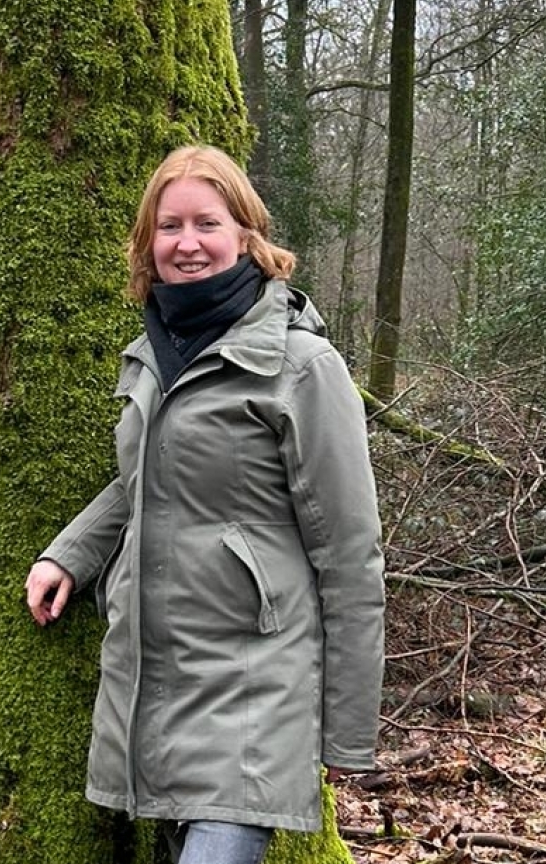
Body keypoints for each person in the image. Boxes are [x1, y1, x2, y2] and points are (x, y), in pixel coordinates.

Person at [24, 145, 385, 864]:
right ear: (146, 244)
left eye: (207, 223)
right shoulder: (152, 355)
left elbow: (351, 553)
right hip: (154, 675)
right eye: (169, 227)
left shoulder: (301, 365)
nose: (187, 243)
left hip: (254, 684)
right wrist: (72, 552)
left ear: (247, 234)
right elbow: (147, 478)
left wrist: (349, 733)